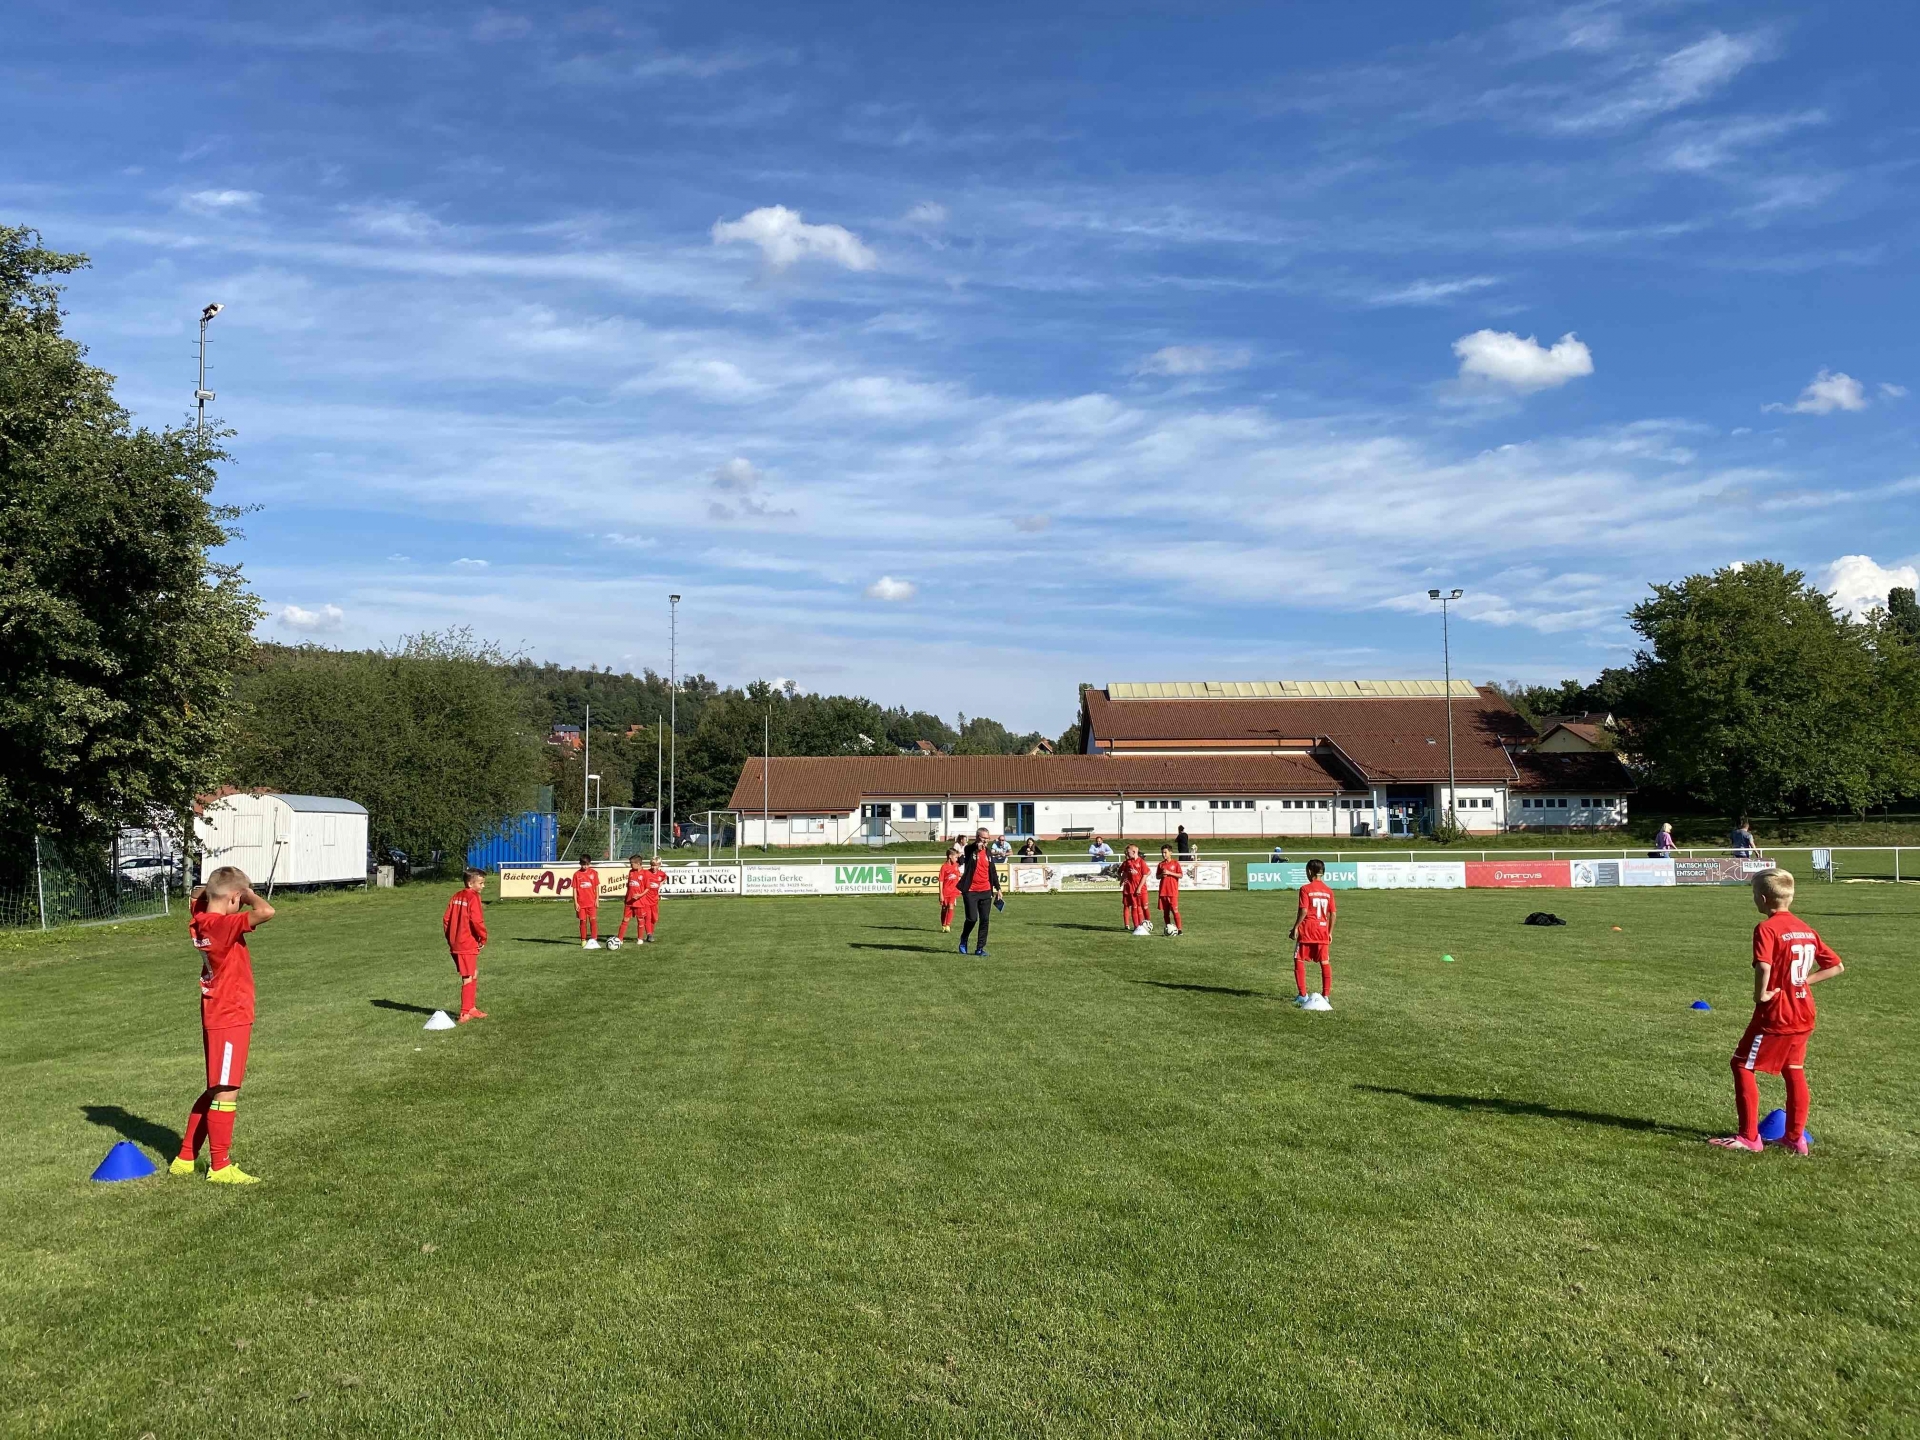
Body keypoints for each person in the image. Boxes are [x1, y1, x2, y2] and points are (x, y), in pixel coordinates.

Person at [1711, 869, 1845, 1155]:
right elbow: (1836, 966)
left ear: (1762, 898)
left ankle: (1749, 1137)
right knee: (1794, 1069)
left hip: (1777, 1014)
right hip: (1804, 1011)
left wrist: (1761, 994)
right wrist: (1802, 981)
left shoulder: (1767, 928)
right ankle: (1795, 1138)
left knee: (1742, 1065)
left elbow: (1763, 965)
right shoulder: (1805, 928)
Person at [171, 866, 275, 1184]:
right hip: (230, 1015)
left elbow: (198, 896)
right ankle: (220, 1167)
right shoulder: (220, 926)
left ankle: (186, 1157)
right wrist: (247, 894)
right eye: (239, 901)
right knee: (227, 1091)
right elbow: (267, 911)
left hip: (216, 1011)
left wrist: (226, 890)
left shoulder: (200, 918)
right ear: (233, 898)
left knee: (216, 1086)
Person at [443, 867, 489, 1022]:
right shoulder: (473, 897)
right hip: (467, 943)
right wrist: (483, 937)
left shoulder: (456, 896)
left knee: (474, 972)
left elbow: (446, 919)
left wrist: (450, 937)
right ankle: (464, 1012)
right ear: (470, 884)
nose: (483, 886)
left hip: (456, 942)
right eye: (481, 883)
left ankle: (472, 1008)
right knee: (467, 976)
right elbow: (476, 920)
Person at [1290, 858, 1337, 1011]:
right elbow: (1333, 913)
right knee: (1324, 962)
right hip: (1323, 930)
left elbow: (1304, 910)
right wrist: (1330, 932)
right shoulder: (1328, 891)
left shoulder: (1305, 889)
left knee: (1298, 959)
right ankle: (1326, 995)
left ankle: (1303, 994)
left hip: (1308, 929)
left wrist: (1295, 927)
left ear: (1310, 871)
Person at [955, 827, 1001, 956]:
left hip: (986, 890)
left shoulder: (988, 853)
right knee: (972, 919)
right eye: (983, 838)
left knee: (985, 920)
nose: (986, 841)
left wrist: (998, 889)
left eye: (987, 838)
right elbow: (969, 849)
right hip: (971, 890)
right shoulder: (970, 850)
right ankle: (964, 939)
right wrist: (977, 846)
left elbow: (992, 871)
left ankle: (980, 948)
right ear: (977, 837)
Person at [612, 854, 647, 949]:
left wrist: (639, 895)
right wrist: (626, 896)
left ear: (638, 863)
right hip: (629, 902)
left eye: (632, 863)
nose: (630, 865)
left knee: (640, 920)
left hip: (639, 902)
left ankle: (640, 938)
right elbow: (629, 886)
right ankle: (620, 938)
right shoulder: (631, 872)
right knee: (625, 920)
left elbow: (647, 888)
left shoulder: (645, 874)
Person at [1119, 843, 1151, 935]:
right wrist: (1122, 881)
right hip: (1131, 889)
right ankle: (1136, 926)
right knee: (1134, 907)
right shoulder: (1128, 862)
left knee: (1144, 907)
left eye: (1128, 852)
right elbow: (1124, 873)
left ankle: (1148, 923)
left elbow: (1146, 873)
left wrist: (1139, 887)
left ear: (1134, 852)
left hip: (1141, 889)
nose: (1127, 854)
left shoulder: (1141, 862)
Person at [572, 856, 602, 949]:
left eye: (587, 864)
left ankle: (594, 939)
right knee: (583, 921)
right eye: (583, 864)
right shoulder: (577, 874)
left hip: (591, 902)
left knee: (593, 920)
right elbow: (574, 889)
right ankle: (583, 939)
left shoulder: (593, 873)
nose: (585, 866)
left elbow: (596, 887)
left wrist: (597, 899)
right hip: (581, 903)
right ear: (580, 864)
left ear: (590, 863)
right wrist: (575, 903)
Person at [1155, 844, 1184, 936]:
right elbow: (1157, 876)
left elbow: (1180, 875)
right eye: (1162, 853)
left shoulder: (1175, 863)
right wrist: (1161, 876)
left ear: (1170, 852)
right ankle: (1168, 928)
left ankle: (1179, 929)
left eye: (1165, 852)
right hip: (1163, 891)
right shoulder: (1161, 864)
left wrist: (1169, 873)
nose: (1164, 854)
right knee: (1165, 912)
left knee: (1175, 911)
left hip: (1172, 892)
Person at [938, 845, 962, 932]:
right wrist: (941, 894)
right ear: (950, 856)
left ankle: (948, 925)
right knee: (944, 908)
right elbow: (940, 880)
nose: (957, 859)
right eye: (955, 857)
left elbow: (958, 874)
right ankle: (943, 925)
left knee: (951, 906)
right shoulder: (944, 867)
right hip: (945, 891)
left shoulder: (956, 865)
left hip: (953, 891)